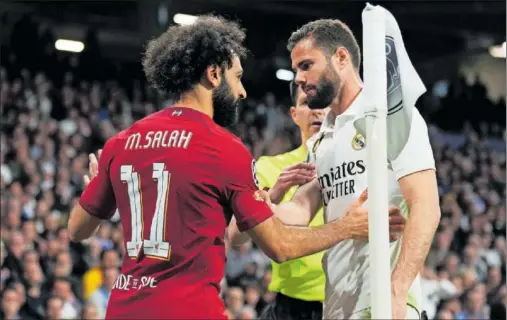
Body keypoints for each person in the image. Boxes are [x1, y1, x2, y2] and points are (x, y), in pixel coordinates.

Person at [67, 15, 404, 319]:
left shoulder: (121, 143)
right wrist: (347, 227)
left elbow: (77, 230)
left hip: (123, 310)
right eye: (237, 77)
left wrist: (93, 186)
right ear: (214, 75)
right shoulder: (223, 149)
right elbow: (281, 247)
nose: (242, 92)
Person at [257, 19, 440, 319]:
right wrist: (262, 205)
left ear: (341, 58)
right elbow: (301, 209)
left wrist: (397, 290)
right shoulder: (322, 140)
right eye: (296, 71)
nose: (299, 79)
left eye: (306, 65)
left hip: (381, 301)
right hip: (337, 305)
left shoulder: (388, 115)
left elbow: (427, 207)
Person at [229, 82, 328, 320]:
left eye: (323, 103)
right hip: (292, 305)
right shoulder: (269, 167)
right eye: (307, 103)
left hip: (349, 299)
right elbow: (235, 236)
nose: (316, 111)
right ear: (294, 114)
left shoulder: (358, 164)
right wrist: (272, 196)